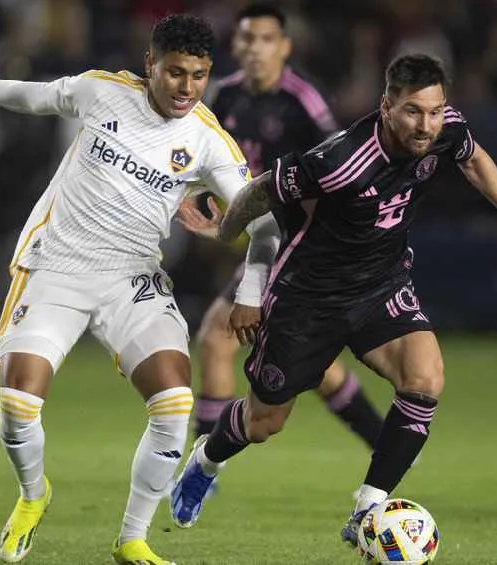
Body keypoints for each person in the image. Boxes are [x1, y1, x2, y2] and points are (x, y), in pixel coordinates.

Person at [169, 53, 497, 547]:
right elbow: (260, 192)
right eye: (412, 112)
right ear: (386, 106)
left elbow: (472, 157)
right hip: (307, 299)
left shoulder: (443, 127)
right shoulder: (338, 163)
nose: (427, 125)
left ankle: (368, 507)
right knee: (263, 422)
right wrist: (224, 232)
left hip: (381, 284)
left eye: (434, 110)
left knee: (425, 378)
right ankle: (206, 461)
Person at [0, 14, 276, 565]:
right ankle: (33, 495)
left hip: (132, 277)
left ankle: (132, 539)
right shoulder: (102, 93)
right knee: (17, 404)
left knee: (174, 402)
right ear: (151, 65)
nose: (186, 87)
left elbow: (263, 224)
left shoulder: (208, 142)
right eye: (174, 73)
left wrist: (251, 291)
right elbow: (35, 97)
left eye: (198, 75)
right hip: (57, 268)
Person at [193, 2, 383, 451]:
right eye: (247, 38)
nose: (255, 48)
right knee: (311, 364)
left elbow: (342, 171)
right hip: (262, 239)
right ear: (235, 45)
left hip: (299, 246)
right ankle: (383, 439)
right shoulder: (224, 97)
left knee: (217, 337)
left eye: (265, 39)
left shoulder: (304, 101)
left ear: (285, 47)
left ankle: (204, 460)